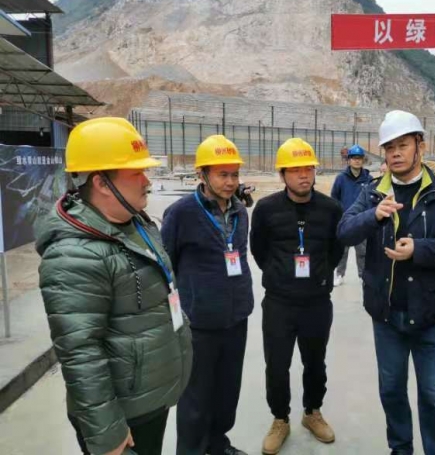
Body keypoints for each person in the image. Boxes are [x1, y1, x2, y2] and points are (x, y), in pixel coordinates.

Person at [36, 117, 193, 455]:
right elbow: (80, 352)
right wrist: (108, 433)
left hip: (148, 398)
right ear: (102, 183)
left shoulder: (137, 224)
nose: (147, 180)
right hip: (121, 416)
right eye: (136, 172)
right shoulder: (73, 254)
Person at [337, 110, 435, 455]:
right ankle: (401, 449)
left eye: (403, 145)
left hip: (429, 314)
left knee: (433, 395)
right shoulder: (373, 193)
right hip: (387, 315)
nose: (396, 153)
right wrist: (374, 215)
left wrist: (420, 250)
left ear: (420, 146)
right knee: (391, 391)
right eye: (389, 147)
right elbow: (344, 232)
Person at [250, 138, 344, 455]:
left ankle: (312, 412)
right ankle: (280, 419)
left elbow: (336, 250)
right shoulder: (266, 209)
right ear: (282, 174)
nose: (304, 175)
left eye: (308, 168)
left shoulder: (331, 209)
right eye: (295, 170)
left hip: (317, 302)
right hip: (279, 302)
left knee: (315, 362)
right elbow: (258, 249)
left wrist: (320, 275)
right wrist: (279, 275)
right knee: (277, 365)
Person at [161, 135, 253, 455]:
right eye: (222, 175)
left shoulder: (240, 211)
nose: (230, 182)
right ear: (202, 174)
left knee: (227, 393)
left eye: (234, 174)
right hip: (198, 323)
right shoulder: (180, 213)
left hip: (236, 317)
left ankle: (217, 444)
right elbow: (166, 267)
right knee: (196, 399)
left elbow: (240, 256)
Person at [330, 144, 373, 286]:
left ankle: (362, 275)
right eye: (354, 158)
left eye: (359, 158)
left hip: (361, 220)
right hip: (345, 221)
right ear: (349, 160)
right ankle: (339, 274)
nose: (357, 160)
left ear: (363, 160)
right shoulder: (341, 179)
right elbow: (334, 198)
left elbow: (372, 199)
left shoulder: (368, 179)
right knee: (342, 251)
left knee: (362, 251)